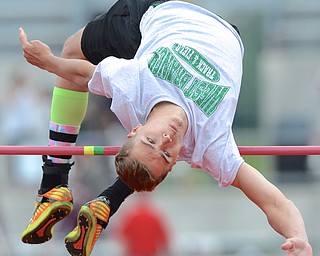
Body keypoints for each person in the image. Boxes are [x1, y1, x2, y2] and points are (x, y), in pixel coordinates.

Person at [19, 1, 313, 256]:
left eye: (151, 141)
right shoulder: (212, 147)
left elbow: (85, 75)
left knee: (72, 51)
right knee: (145, 161)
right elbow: (275, 202)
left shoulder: (133, 84)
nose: (167, 139)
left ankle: (54, 183)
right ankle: (108, 197)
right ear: (177, 163)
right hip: (223, 31)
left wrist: (49, 63)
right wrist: (299, 238)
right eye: (169, 154)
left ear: (133, 130)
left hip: (158, 15)